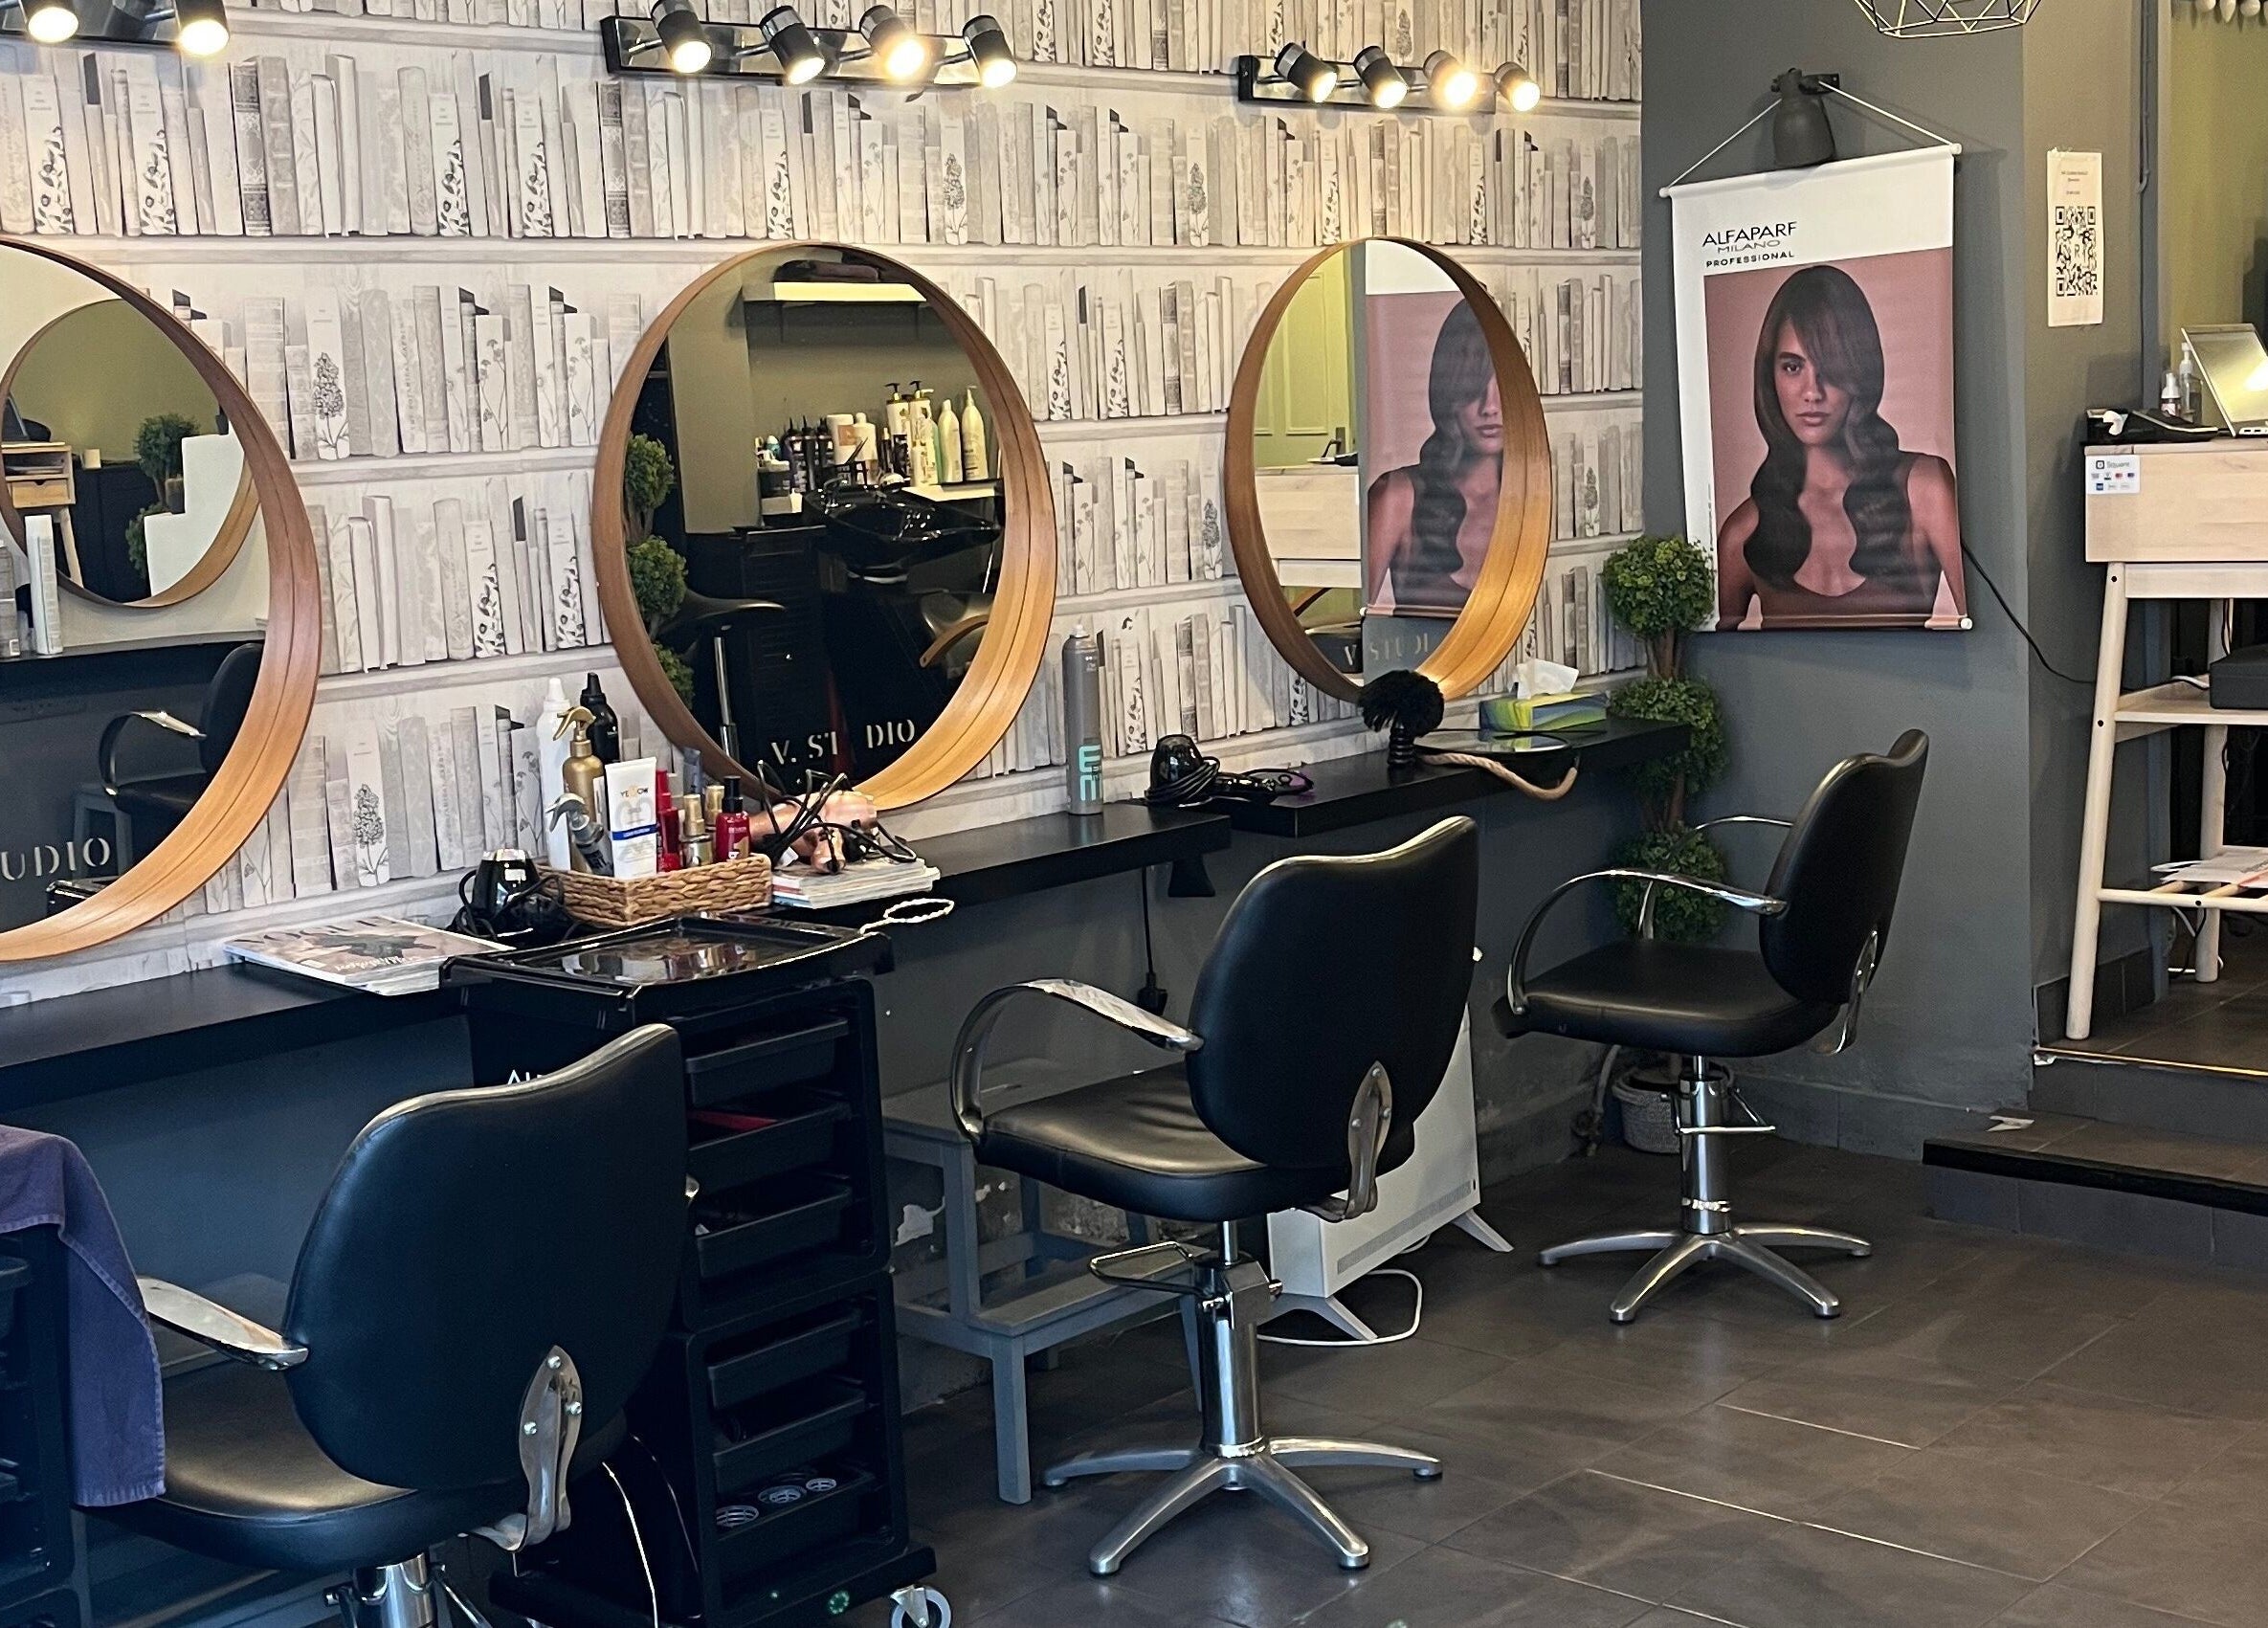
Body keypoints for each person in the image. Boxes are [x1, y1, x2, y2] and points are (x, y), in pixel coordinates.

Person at [1715, 263, 1965, 629]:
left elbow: (1993, 636)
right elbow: (1718, 665)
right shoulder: (1744, 532)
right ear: (1770, 377)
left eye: (1830, 366)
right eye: (1793, 367)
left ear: (1860, 371)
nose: (1812, 393)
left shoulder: (1925, 490)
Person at [1366, 301, 1502, 617]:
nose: (1490, 407)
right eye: (1473, 387)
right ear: (1449, 389)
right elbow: (1362, 631)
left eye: (1502, 389)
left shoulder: (1529, 500)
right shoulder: (1398, 496)